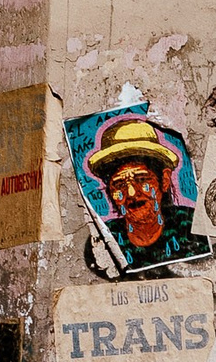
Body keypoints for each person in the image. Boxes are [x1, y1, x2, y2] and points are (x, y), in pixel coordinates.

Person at [83, 116, 203, 271]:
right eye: (119, 184)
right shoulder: (103, 240)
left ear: (165, 180)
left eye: (141, 179)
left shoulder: (193, 226)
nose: (131, 193)